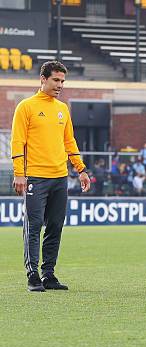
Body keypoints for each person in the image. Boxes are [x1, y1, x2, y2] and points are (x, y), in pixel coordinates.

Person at [10, 60, 91, 292]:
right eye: (56, 80)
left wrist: (81, 169)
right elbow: (18, 142)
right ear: (43, 79)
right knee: (34, 226)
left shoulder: (62, 109)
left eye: (63, 81)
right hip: (35, 177)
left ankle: (49, 274)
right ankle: (32, 275)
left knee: (55, 226)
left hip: (60, 177)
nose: (60, 85)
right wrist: (19, 174)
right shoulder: (25, 107)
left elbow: (69, 141)